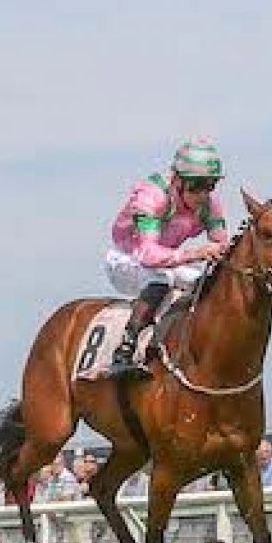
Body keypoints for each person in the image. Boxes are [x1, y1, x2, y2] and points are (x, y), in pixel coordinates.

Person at [104, 139, 231, 378]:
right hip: (127, 258)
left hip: (166, 260)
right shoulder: (153, 196)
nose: (203, 194)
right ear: (177, 179)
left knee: (206, 282)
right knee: (160, 279)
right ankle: (125, 350)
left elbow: (222, 246)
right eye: (197, 186)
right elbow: (148, 255)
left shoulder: (209, 204)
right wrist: (195, 253)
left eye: (210, 185)